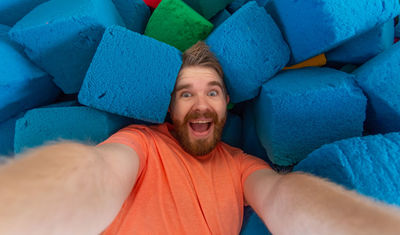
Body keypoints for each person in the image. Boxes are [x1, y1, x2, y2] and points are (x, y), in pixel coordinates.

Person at [1, 41, 400, 235]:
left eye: (211, 92)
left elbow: (282, 197)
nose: (200, 104)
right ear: (170, 109)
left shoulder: (243, 166)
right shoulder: (142, 143)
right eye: (186, 94)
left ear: (226, 103)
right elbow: (96, 174)